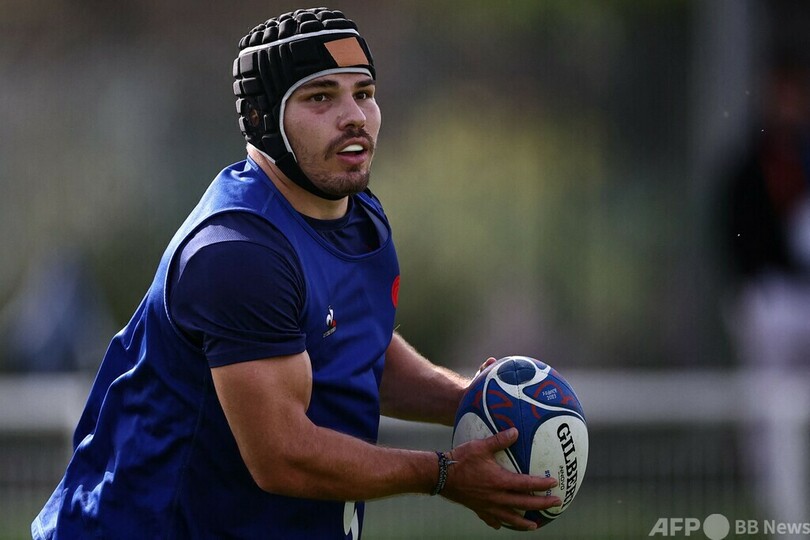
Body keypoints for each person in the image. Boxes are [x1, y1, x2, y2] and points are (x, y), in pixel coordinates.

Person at [32, 8, 561, 539]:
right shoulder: (239, 253)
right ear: (261, 118)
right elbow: (283, 456)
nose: (354, 116)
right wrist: (443, 474)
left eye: (364, 92)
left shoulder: (359, 216)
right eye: (320, 97)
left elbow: (359, 352)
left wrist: (476, 402)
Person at [717, 56, 810, 529]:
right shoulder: (751, 161)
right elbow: (736, 232)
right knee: (769, 404)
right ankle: (773, 504)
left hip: (803, 293)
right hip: (770, 298)